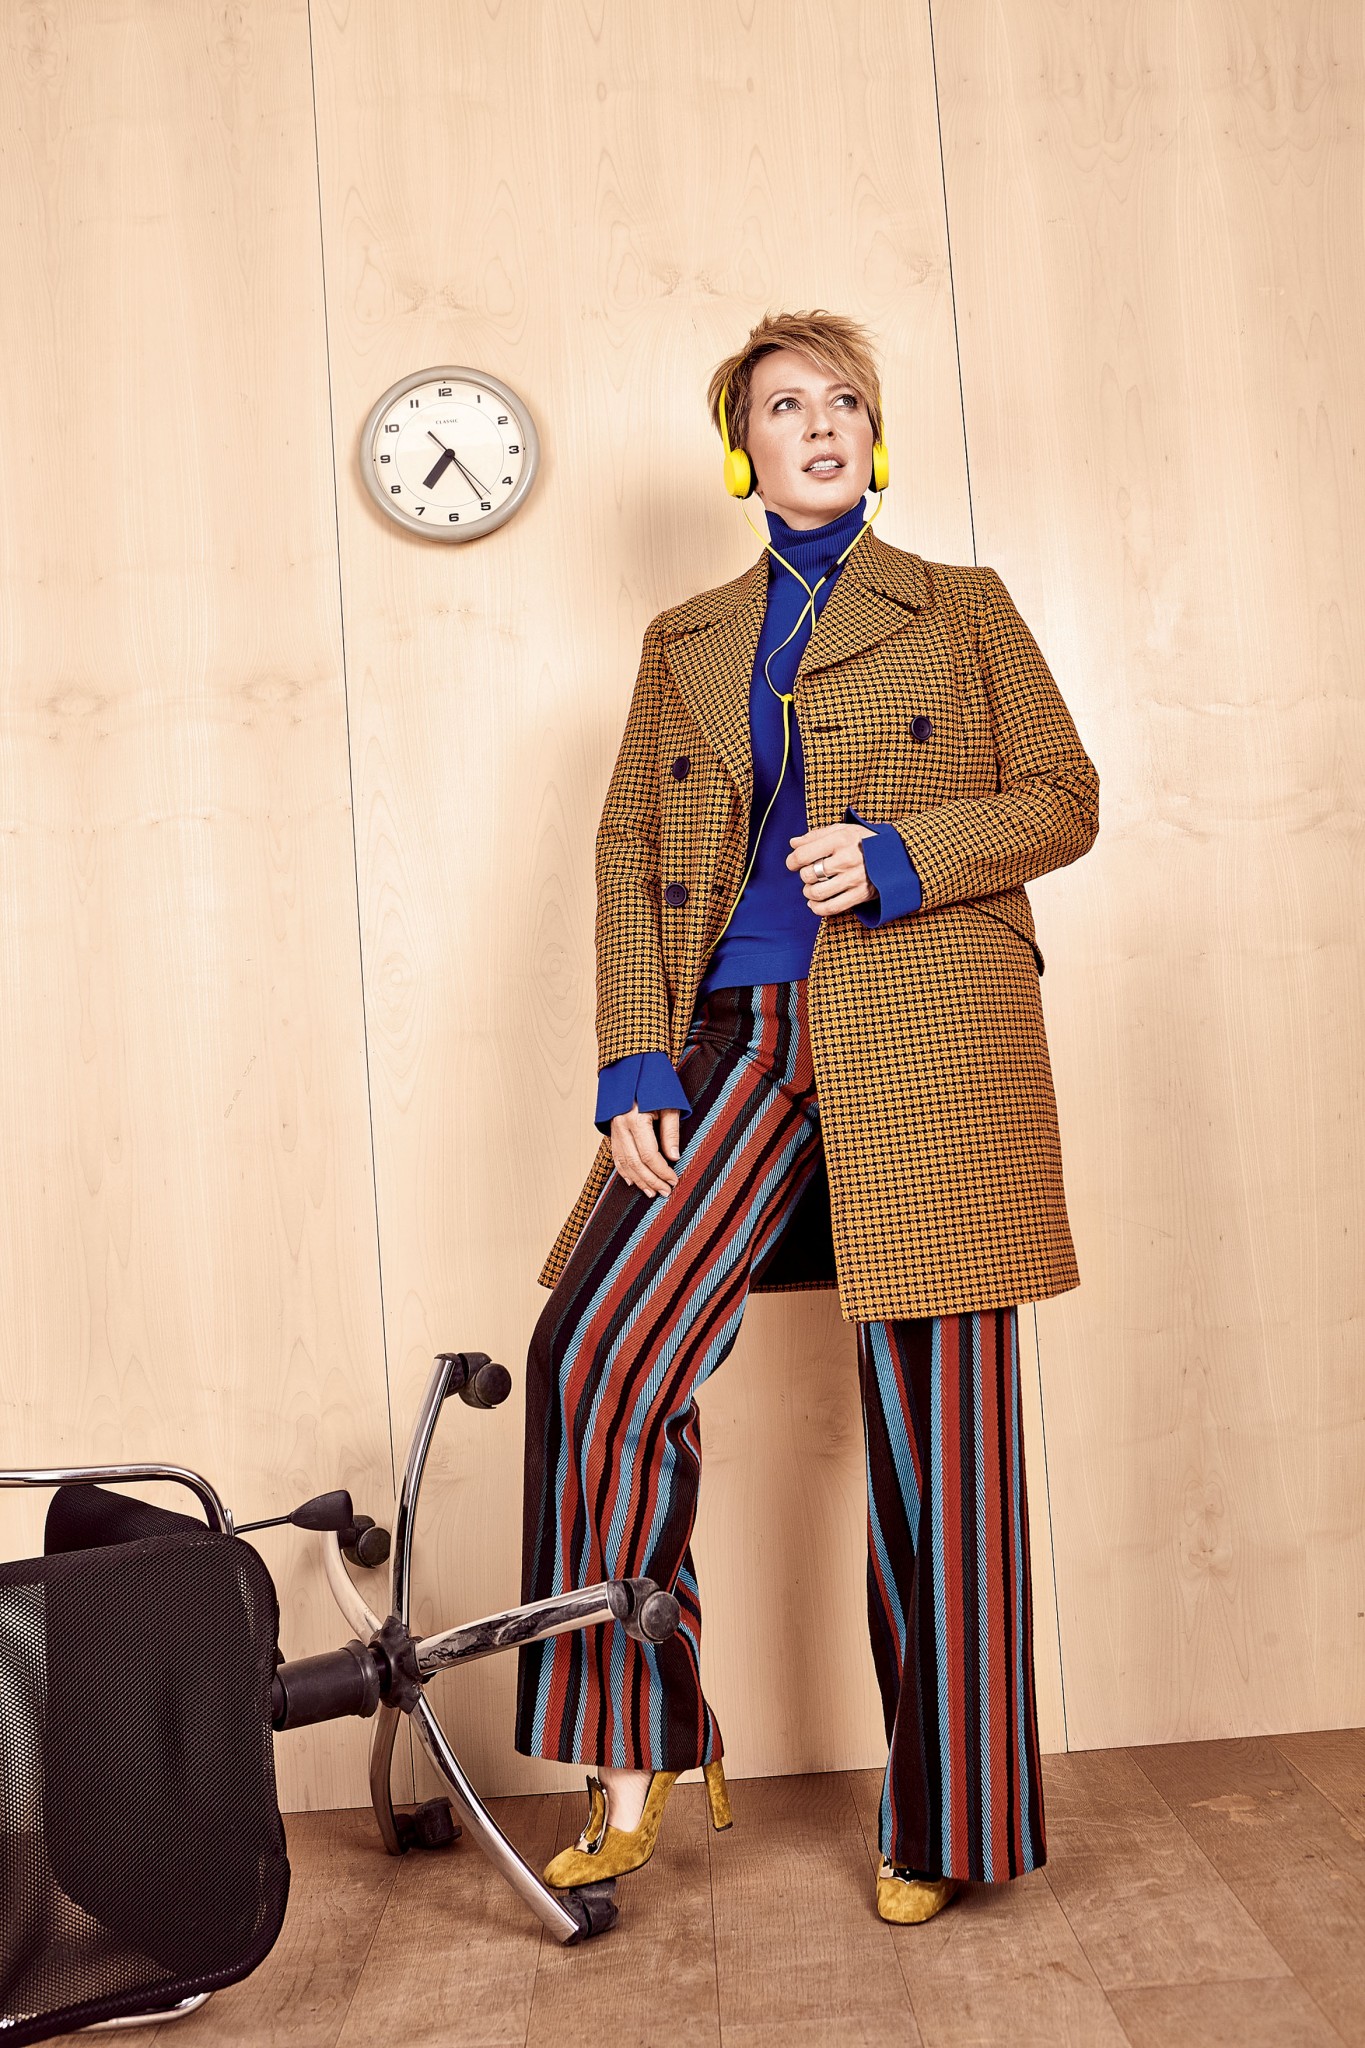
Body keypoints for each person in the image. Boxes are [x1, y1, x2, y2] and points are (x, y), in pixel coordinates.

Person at [515, 308, 1099, 1925]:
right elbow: (631, 855)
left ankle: (946, 1823)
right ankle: (628, 1753)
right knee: (594, 1353)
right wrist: (636, 1062)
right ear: (742, 451)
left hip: (926, 1034)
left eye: (844, 400)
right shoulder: (687, 639)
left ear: (873, 435)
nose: (820, 423)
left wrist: (903, 855)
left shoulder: (961, 607)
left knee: (939, 1442)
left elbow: (1063, 796)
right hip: (736, 1035)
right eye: (784, 406)